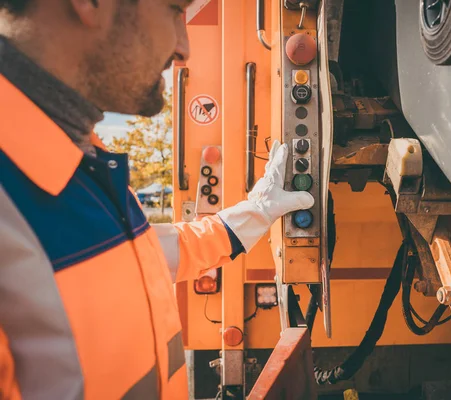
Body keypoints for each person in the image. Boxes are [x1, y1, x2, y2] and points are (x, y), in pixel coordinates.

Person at [0, 0, 314, 398]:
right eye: (173, 10)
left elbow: (145, 257)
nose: (184, 48)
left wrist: (256, 212)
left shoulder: (77, 161)